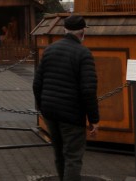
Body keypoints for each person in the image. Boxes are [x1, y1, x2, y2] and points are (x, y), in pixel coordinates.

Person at [33, 15, 99, 181]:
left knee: (59, 153)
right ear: (83, 32)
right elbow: (88, 90)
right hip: (72, 115)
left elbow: (37, 83)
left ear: (65, 30)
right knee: (73, 157)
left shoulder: (49, 49)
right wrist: (94, 119)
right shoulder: (83, 53)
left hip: (50, 112)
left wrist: (42, 106)